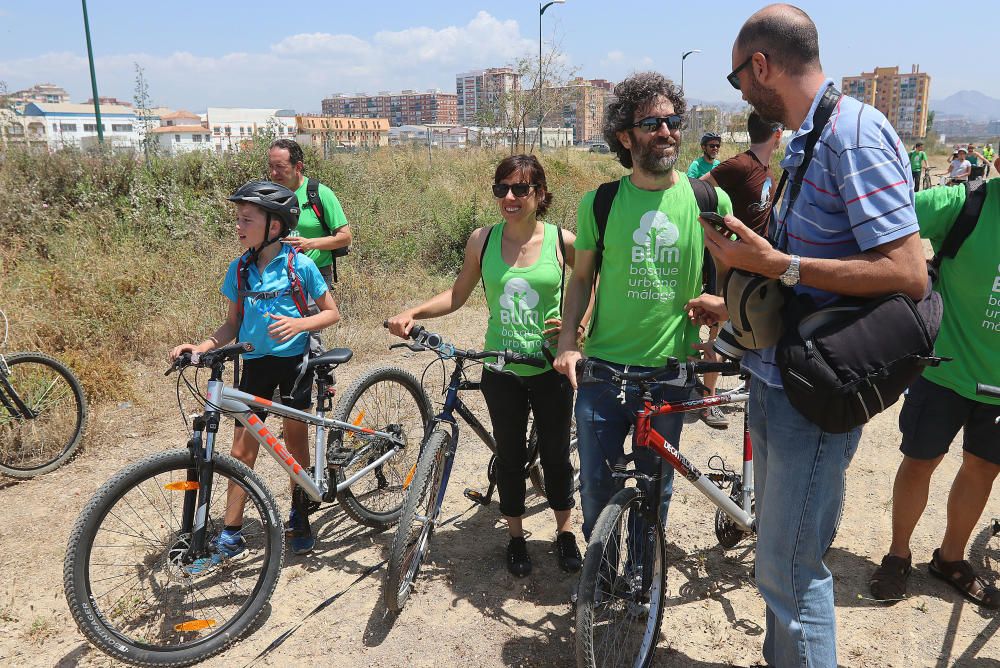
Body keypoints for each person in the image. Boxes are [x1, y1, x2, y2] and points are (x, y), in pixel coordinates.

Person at [690, 6, 927, 666]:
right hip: (777, 379)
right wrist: (734, 297)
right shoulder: (808, 137)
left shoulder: (852, 135)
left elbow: (906, 271)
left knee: (792, 575)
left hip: (813, 398)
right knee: (777, 565)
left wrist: (777, 265)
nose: (740, 93)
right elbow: (797, 272)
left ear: (761, 66)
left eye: (739, 78)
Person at [553, 72, 733, 554]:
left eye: (673, 120)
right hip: (603, 371)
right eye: (651, 122)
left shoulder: (709, 200)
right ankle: (603, 574)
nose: (667, 131)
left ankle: (641, 579)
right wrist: (569, 341)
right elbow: (581, 280)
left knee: (656, 490)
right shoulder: (601, 203)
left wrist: (723, 306)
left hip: (670, 374)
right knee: (596, 488)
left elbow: (735, 277)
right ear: (624, 136)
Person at [386, 155, 583, 578]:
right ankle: (516, 538)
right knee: (509, 457)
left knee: (555, 456)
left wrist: (578, 327)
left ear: (540, 194)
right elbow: (457, 295)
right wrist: (414, 311)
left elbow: (592, 282)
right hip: (500, 368)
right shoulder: (483, 239)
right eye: (501, 189)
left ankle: (565, 533)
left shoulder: (561, 240)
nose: (509, 197)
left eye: (520, 189)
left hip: (549, 368)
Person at [169, 181, 340, 570]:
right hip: (255, 364)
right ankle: (231, 532)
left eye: (247, 220)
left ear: (274, 227)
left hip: (295, 363)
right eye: (238, 219)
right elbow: (232, 324)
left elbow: (331, 312)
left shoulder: (301, 265)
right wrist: (201, 347)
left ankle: (300, 510)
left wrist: (300, 325)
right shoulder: (240, 269)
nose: (238, 227)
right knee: (242, 449)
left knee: (294, 444)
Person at [869, 173, 1000, 609]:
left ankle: (951, 559)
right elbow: (882, 215)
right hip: (945, 368)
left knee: (983, 469)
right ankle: (898, 554)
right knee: (921, 461)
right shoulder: (965, 204)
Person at [693, 111, 783, 429]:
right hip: (731, 270)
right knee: (718, 333)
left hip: (758, 271)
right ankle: (707, 400)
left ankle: (732, 388)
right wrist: (716, 236)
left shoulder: (768, 170)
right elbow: (697, 191)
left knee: (746, 331)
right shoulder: (740, 164)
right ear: (777, 133)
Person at [268, 139, 352, 289]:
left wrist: (308, 244)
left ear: (298, 166)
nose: (274, 173)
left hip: (315, 274)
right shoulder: (269, 195)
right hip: (277, 274)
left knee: (315, 314)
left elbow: (345, 237)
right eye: (271, 167)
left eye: (280, 167)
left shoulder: (321, 194)